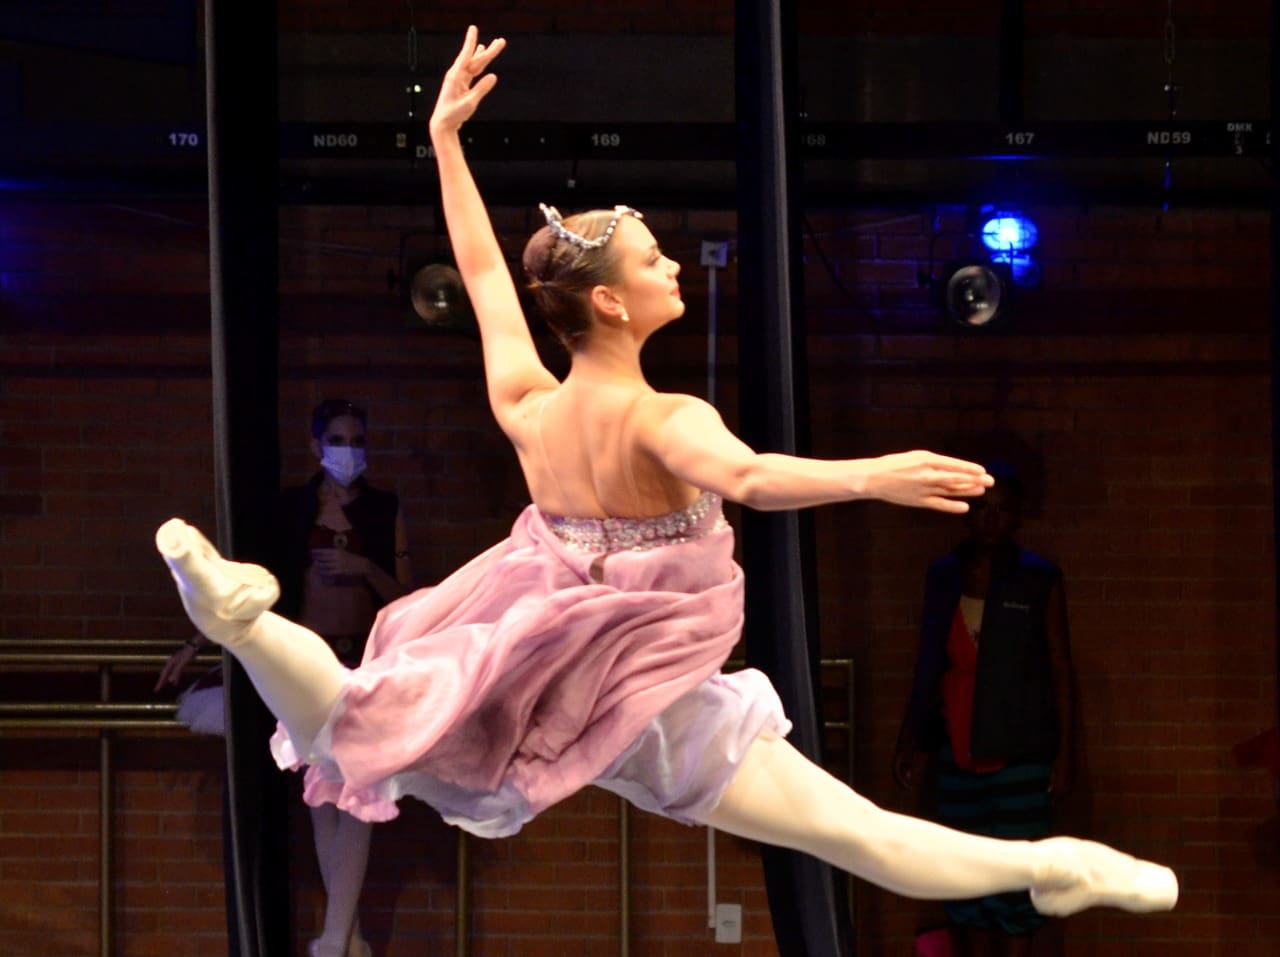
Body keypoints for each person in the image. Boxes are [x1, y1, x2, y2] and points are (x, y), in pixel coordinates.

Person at [152, 27, 1177, 948]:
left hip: (536, 669)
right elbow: (750, 478)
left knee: (350, 713)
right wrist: (875, 473)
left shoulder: (529, 405)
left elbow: (483, 276)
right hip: (652, 693)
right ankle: (1043, 864)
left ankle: (244, 623)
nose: (673, 265)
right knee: (854, 833)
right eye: (653, 259)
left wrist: (447, 144)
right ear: (609, 301)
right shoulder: (662, 417)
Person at [155, 398, 413, 957]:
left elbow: (406, 595)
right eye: (338, 440)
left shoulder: (382, 508)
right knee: (322, 795)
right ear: (317, 445)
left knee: (359, 793)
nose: (349, 450)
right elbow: (248, 584)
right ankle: (345, 937)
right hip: (308, 665)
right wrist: (195, 644)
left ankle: (337, 939)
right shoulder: (294, 508)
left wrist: (364, 567)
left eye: (358, 440)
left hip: (365, 662)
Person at [895, 461, 1073, 957]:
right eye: (983, 508)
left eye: (1003, 509)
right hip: (957, 748)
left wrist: (1065, 753)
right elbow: (928, 659)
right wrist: (911, 737)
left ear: (1017, 516)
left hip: (1020, 751)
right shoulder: (944, 576)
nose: (992, 518)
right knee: (964, 876)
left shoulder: (1038, 579)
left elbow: (1060, 666)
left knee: (1018, 877)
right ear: (967, 515)